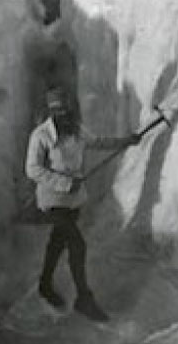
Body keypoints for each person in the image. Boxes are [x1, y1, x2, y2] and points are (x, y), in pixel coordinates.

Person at [25, 87, 141, 321]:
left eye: (64, 108)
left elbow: (98, 142)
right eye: (56, 109)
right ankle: (83, 299)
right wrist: (65, 183)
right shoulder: (41, 136)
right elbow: (33, 169)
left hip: (72, 200)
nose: (62, 113)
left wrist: (126, 141)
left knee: (58, 241)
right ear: (50, 111)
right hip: (52, 199)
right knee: (77, 244)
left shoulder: (76, 130)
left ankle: (45, 285)